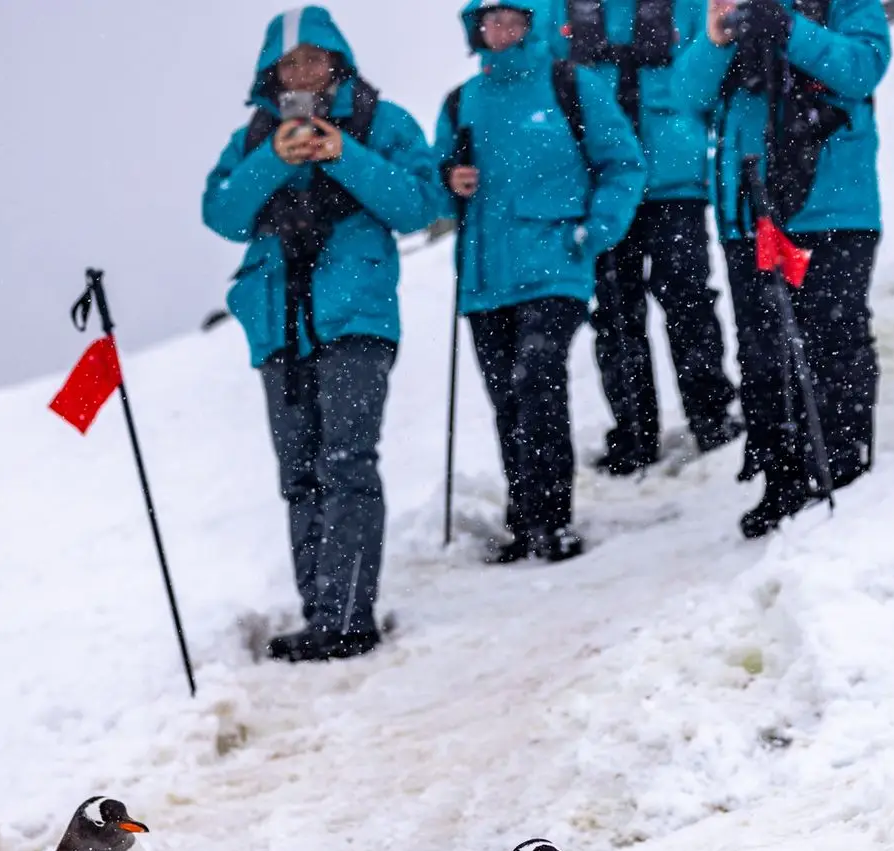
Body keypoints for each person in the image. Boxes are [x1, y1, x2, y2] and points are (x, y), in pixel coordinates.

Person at [203, 7, 443, 661]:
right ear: (272, 73)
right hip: (278, 324)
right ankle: (322, 613)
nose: (303, 72)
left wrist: (344, 153)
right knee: (300, 474)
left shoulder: (382, 123)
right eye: (290, 63)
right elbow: (221, 213)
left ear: (338, 61)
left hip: (355, 317)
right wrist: (273, 161)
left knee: (346, 461)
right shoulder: (255, 137)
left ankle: (348, 617)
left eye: (314, 58)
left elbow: (420, 205)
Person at [435, 0, 647, 563]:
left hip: (556, 264)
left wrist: (596, 230)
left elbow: (623, 163)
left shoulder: (569, 84)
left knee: (537, 378)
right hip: (486, 276)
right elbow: (432, 193)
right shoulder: (460, 102)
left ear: (532, 25)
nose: (502, 31)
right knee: (507, 396)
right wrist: (448, 180)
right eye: (492, 21)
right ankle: (527, 517)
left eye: (514, 20)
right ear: (477, 28)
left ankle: (551, 519)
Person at [671, 0, 890, 539]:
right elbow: (688, 97)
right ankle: (783, 477)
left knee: (832, 339)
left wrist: (789, 30)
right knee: (763, 350)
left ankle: (841, 470)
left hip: (834, 206)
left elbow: (863, 68)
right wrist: (714, 41)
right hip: (751, 210)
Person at [565, 0, 741, 474]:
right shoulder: (557, 9)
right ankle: (637, 433)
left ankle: (707, 416)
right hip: (605, 189)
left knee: (685, 300)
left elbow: (712, 68)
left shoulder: (689, 5)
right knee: (618, 312)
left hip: (672, 181)